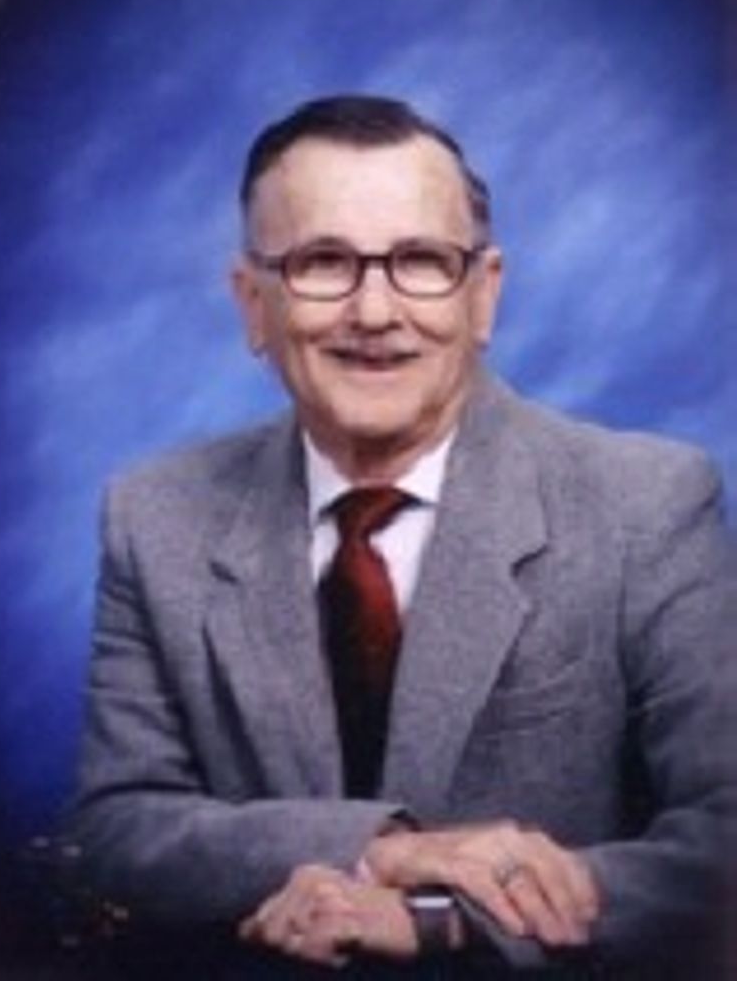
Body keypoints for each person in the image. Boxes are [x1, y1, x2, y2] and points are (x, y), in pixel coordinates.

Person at [71, 95, 736, 979]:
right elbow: (118, 827)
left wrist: (437, 920)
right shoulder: (154, 516)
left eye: (421, 261)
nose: (375, 310)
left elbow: (724, 838)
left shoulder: (647, 505)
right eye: (323, 263)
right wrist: (381, 849)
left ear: (483, 294)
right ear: (254, 304)